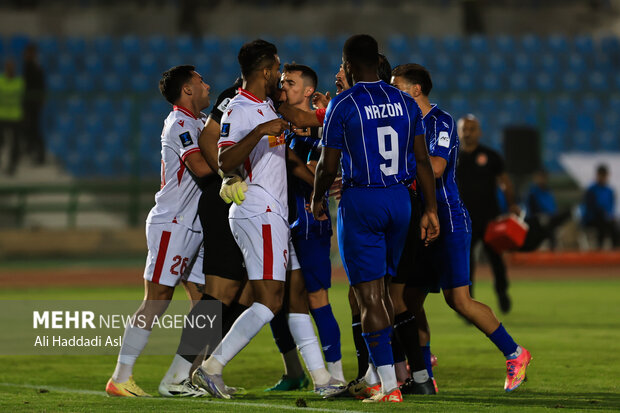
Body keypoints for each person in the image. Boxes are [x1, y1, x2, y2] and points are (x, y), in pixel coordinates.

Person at [200, 39, 342, 399]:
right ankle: (211, 367)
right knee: (268, 302)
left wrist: (320, 189)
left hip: (275, 214)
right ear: (265, 71)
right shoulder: (239, 109)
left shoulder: (266, 104)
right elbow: (225, 161)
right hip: (258, 211)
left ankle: (323, 379)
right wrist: (259, 132)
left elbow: (293, 147)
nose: (280, 75)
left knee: (296, 297)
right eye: (277, 68)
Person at [312, 34, 439, 403]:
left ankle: (387, 385)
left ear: (349, 64)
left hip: (363, 200)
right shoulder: (405, 102)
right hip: (400, 201)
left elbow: (328, 164)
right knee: (387, 292)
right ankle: (392, 376)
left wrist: (317, 198)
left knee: (367, 296)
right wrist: (430, 209)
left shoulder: (344, 103)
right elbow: (422, 161)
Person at [392, 63, 532, 393]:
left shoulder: (440, 121)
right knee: (409, 301)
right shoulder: (404, 123)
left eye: (396, 87)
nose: (392, 94)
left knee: (459, 300)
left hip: (448, 219)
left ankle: (515, 353)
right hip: (420, 222)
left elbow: (437, 167)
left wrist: (395, 168)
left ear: (416, 89)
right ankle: (424, 376)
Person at [106, 65, 213, 397]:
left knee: (206, 304)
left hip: (195, 226)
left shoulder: (199, 121)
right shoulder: (180, 124)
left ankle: (188, 377)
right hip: (173, 223)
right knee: (157, 300)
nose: (207, 85)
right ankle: (120, 378)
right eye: (200, 81)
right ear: (187, 90)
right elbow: (200, 168)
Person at [281, 63, 344, 384]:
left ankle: (335, 374)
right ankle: (301, 373)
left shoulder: (319, 133)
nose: (283, 87)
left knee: (316, 299)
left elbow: (317, 171)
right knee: (280, 300)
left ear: (308, 91)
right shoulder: (289, 130)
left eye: (290, 83)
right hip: (285, 222)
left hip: (309, 222)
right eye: (282, 82)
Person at [456, 114, 518, 313]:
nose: (468, 133)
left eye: (472, 129)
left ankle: (502, 292)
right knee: (466, 263)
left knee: (496, 259)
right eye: (464, 129)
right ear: (458, 132)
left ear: (479, 132)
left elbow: (505, 182)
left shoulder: (491, 156)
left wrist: (512, 204)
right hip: (463, 220)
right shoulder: (452, 157)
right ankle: (468, 301)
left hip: (490, 219)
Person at [522, 169, 571, 251]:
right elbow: (528, 210)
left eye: (544, 177)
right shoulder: (532, 192)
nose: (542, 180)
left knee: (567, 213)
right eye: (540, 177)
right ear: (536, 178)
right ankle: (552, 246)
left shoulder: (548, 191)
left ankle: (553, 246)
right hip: (537, 220)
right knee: (547, 224)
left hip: (551, 218)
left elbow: (553, 208)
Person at [582, 164, 619, 248]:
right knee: (603, 224)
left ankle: (615, 249)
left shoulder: (610, 191)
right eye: (601, 175)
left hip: (607, 219)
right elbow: (590, 207)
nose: (603, 177)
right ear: (597, 175)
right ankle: (600, 248)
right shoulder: (591, 190)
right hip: (592, 218)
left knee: (615, 226)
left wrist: (610, 215)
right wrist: (603, 213)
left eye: (604, 175)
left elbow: (611, 207)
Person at [23, 43, 46, 165]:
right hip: (29, 103)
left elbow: (39, 84)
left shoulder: (35, 66)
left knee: (34, 128)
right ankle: (31, 150)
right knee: (29, 128)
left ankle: (39, 155)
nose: (27, 55)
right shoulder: (28, 65)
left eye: (30, 53)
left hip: (33, 103)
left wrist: (40, 100)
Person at [0, 59, 25, 175]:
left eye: (12, 67)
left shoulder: (20, 82)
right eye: (8, 67)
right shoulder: (0, 80)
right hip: (2, 115)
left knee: (15, 143)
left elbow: (22, 96)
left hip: (15, 115)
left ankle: (12, 165)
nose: (10, 69)